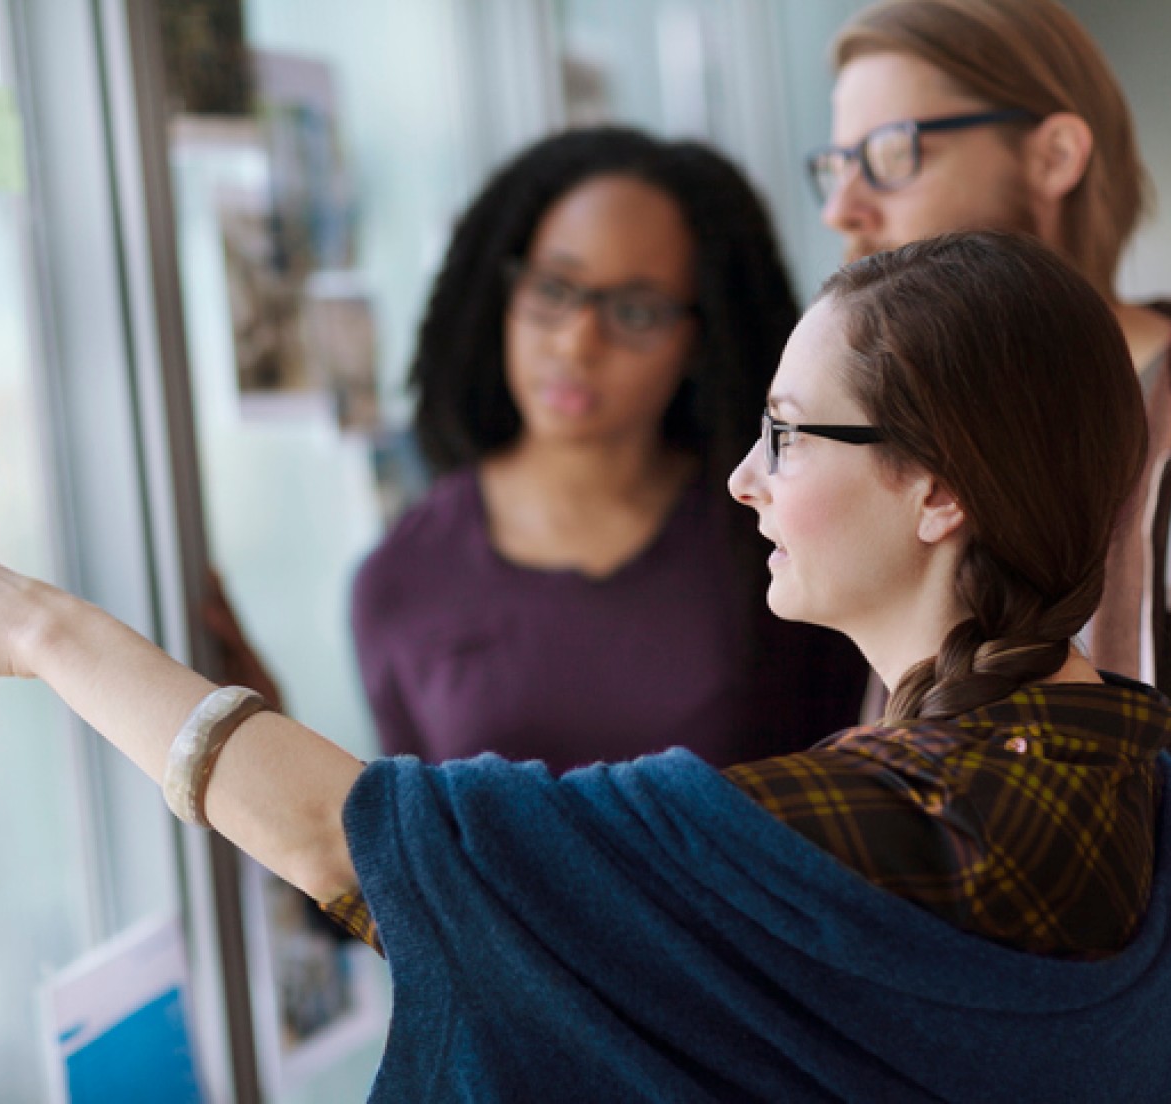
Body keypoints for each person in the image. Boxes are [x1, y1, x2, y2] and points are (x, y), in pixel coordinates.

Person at [0, 231, 1171, 1101]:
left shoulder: (898, 822)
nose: (745, 477)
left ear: (939, 491)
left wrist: (45, 632)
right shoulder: (1132, 776)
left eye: (790, 435)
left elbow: (356, 846)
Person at [807, 0, 1171, 858]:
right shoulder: (895, 437)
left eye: (892, 153)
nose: (843, 207)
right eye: (837, 165)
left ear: (1054, 155)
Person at [353, 126, 867, 773]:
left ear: (702, 338)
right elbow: (407, 827)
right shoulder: (402, 578)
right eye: (552, 289)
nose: (577, 342)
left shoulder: (779, 537)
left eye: (636, 311)